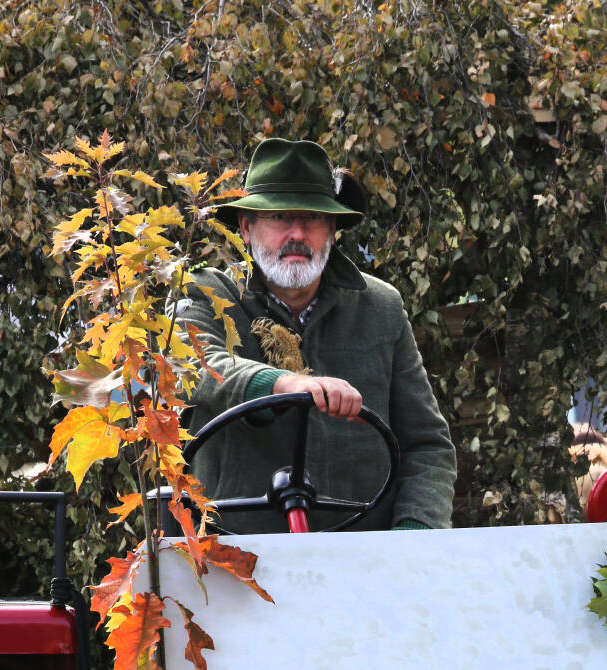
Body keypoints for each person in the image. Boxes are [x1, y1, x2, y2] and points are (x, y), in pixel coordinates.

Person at [183, 137, 456, 533]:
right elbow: (200, 366)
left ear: (332, 230)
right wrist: (285, 384)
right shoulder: (207, 294)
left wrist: (413, 537)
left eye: (312, 218)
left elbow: (428, 447)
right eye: (280, 217)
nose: (297, 233)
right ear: (246, 227)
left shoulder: (381, 308)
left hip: (365, 563)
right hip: (234, 565)